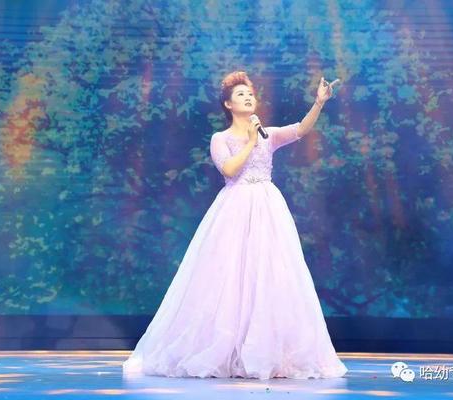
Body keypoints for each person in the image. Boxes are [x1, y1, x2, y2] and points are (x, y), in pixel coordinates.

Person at [123, 71, 347, 380]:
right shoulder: (221, 139)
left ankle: (266, 351)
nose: (248, 98)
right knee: (229, 275)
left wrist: (318, 103)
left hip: (268, 209)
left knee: (269, 274)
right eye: (241, 94)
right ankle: (225, 349)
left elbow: (300, 129)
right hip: (235, 209)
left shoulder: (268, 134)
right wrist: (251, 141)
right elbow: (229, 169)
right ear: (228, 104)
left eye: (250, 94)